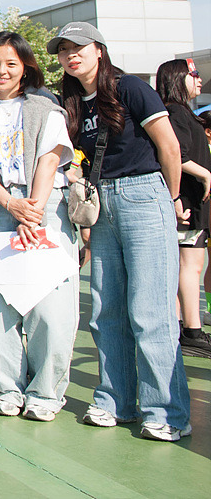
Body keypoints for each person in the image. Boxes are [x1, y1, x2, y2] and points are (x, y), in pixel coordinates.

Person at [50, 22, 190, 440]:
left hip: (144, 193)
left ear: (99, 49)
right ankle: (116, 401)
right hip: (102, 204)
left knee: (150, 312)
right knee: (106, 309)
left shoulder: (129, 88)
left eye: (79, 47)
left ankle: (166, 412)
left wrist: (171, 197)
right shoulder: (73, 102)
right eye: (64, 50)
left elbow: (168, 146)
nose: (71, 55)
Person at [0, 31, 76, 421]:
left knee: (50, 305)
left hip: (45, 204)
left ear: (25, 66)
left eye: (10, 63)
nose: (1, 70)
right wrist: (10, 204)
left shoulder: (45, 107)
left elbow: (50, 159)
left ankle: (46, 392)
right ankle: (7, 386)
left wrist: (32, 211)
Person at [154, 58, 211, 359]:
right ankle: (192, 330)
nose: (199, 79)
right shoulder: (176, 112)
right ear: (177, 78)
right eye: (193, 74)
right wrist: (205, 174)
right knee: (190, 266)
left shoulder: (181, 111)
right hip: (186, 202)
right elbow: (177, 154)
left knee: (187, 265)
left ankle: (182, 327)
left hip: (189, 201)